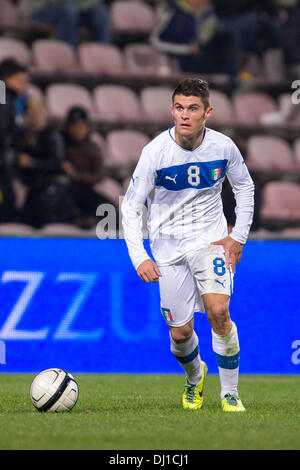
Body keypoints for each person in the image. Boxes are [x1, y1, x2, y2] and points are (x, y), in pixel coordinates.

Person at [122, 78, 255, 412]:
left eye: (193, 108)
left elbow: (245, 188)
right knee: (180, 335)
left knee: (219, 312)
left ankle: (230, 393)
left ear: (207, 112)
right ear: (172, 110)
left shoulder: (223, 147)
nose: (185, 115)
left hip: (210, 242)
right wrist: (140, 257)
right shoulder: (154, 153)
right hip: (167, 250)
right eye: (179, 108)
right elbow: (131, 206)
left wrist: (237, 236)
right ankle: (196, 376)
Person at [15, 97, 73, 227]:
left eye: (39, 114)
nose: (36, 119)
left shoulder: (52, 135)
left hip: (53, 185)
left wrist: (32, 163)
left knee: (46, 213)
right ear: (25, 116)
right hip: (33, 186)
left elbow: (57, 163)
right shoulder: (20, 138)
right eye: (32, 114)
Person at [62, 106, 117, 226]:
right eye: (74, 126)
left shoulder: (93, 148)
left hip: (86, 192)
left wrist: (75, 175)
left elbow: (99, 175)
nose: (78, 130)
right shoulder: (61, 146)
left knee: (111, 210)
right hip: (65, 192)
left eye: (81, 126)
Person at [29, 0, 111, 48]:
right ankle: (69, 53)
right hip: (41, 9)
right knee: (69, 10)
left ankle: (102, 54)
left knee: (100, 11)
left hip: (73, 6)